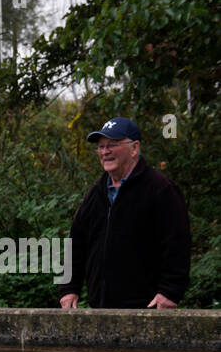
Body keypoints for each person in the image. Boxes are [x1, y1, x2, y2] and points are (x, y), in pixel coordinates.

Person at [61, 117, 190, 309]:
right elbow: (76, 243)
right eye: (101, 146)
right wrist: (68, 288)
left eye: (112, 145)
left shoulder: (160, 189)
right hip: (100, 309)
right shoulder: (96, 193)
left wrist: (169, 292)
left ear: (134, 148)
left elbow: (178, 244)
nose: (105, 152)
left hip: (147, 309)